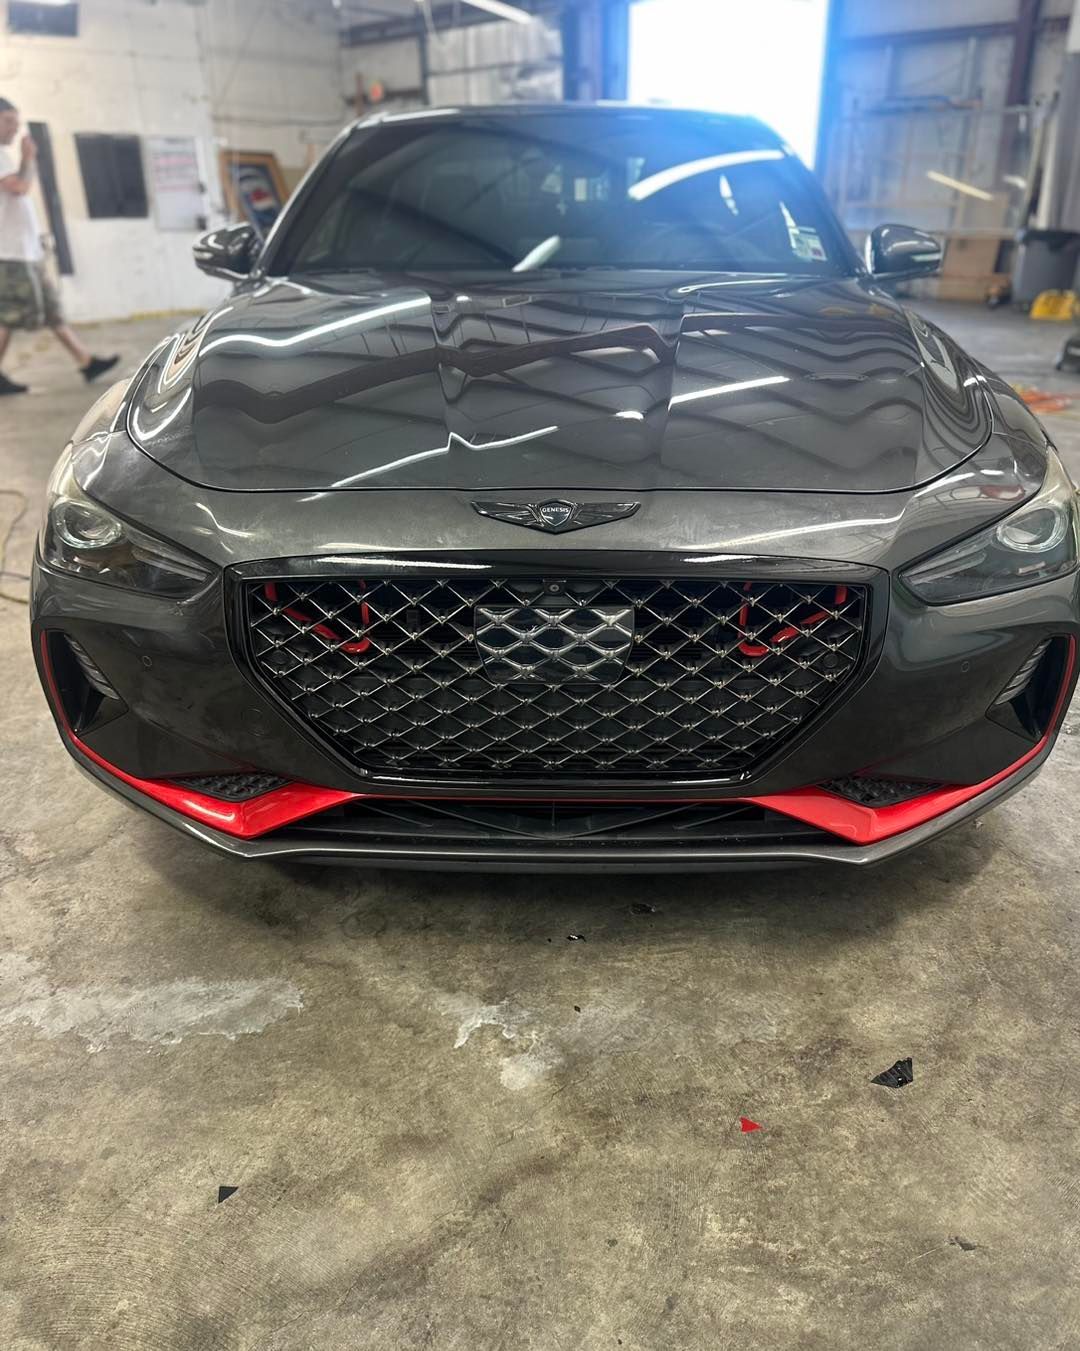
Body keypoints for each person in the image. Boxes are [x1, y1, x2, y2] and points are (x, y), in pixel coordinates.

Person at [0, 97, 117, 396]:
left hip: (25, 252)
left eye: (17, 121)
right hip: (10, 254)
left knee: (52, 311)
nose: (15, 129)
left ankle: (86, 361)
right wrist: (28, 157)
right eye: (9, 121)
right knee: (7, 315)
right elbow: (19, 188)